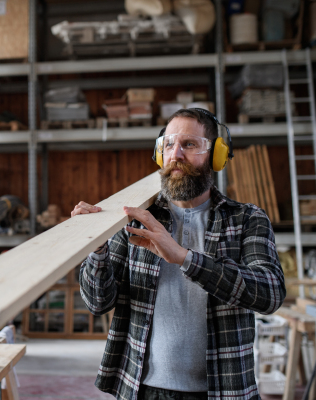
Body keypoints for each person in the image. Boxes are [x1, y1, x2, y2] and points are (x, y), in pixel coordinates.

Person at [72, 108, 286, 400]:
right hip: (144, 389)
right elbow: (98, 302)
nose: (176, 155)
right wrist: (95, 246)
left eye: (189, 145)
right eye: (169, 145)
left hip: (224, 391)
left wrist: (184, 258)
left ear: (216, 156)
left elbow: (270, 293)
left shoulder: (246, 219)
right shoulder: (136, 219)